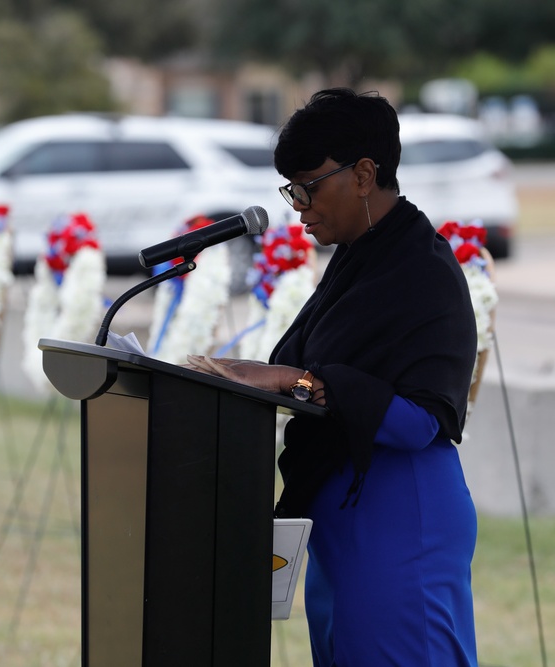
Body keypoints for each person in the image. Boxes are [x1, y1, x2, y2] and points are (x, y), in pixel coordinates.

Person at [186, 88, 479, 666]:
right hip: (342, 520)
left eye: (310, 185)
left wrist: (297, 381)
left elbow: (422, 420)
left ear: (365, 173)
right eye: (291, 189)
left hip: (400, 519)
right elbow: (302, 365)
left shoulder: (423, 270)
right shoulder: (358, 257)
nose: (299, 205)